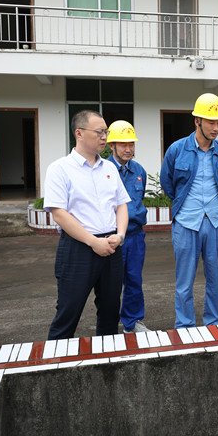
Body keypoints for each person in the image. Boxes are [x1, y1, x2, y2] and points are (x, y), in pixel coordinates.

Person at [44, 110, 130, 339]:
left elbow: (121, 205)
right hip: (78, 248)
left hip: (111, 246)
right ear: (79, 133)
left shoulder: (110, 168)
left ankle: (108, 357)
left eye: (106, 132)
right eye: (99, 132)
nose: (104, 137)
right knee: (68, 312)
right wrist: (93, 242)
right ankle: (56, 359)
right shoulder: (59, 169)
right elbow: (59, 214)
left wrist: (120, 235)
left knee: (110, 312)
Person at [161, 93, 218, 329]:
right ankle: (185, 325)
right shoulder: (177, 149)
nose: (216, 128)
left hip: (215, 221)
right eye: (211, 122)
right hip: (186, 221)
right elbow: (167, 183)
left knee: (215, 279)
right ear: (197, 121)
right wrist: (186, 204)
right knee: (184, 281)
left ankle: (214, 322)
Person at [106, 120, 150, 334]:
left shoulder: (139, 170)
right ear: (111, 145)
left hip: (135, 235)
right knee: (110, 284)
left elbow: (139, 199)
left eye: (131, 144)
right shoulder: (103, 170)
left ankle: (132, 323)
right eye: (123, 144)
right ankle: (108, 325)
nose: (128, 149)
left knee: (134, 280)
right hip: (111, 237)